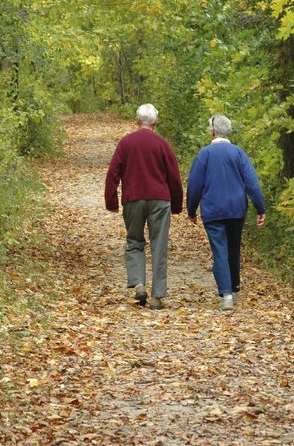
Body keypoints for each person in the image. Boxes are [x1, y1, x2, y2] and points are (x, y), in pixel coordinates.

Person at [104, 103, 183, 310]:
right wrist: (176, 204)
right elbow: (174, 177)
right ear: (155, 122)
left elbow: (113, 172)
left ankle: (139, 284)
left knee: (134, 241)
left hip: (133, 198)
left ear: (137, 121)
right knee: (159, 245)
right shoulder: (162, 144)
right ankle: (157, 297)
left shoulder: (126, 143)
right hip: (159, 200)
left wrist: (111, 201)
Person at [186, 114, 265, 311]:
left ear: (212, 132)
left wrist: (191, 209)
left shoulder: (204, 154)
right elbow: (252, 183)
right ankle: (235, 289)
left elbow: (194, 185)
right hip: (237, 209)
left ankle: (227, 294)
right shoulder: (238, 153)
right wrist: (260, 208)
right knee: (233, 249)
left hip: (213, 210)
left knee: (220, 251)